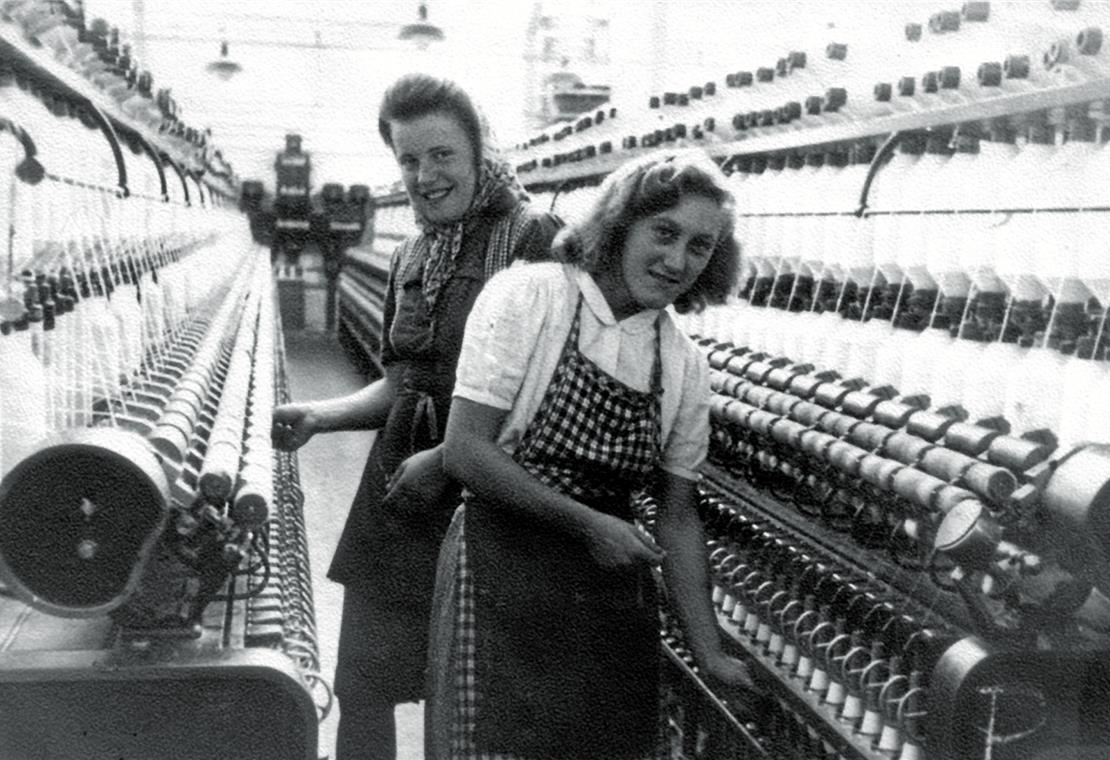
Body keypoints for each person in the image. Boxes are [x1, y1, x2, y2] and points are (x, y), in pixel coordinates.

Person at [428, 149, 756, 759]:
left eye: (700, 246)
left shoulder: (682, 363)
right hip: (501, 565)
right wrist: (589, 524)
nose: (676, 260)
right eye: (664, 232)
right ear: (620, 224)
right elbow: (466, 452)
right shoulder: (532, 298)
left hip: (603, 594)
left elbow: (678, 517)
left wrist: (709, 650)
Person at [271, 73, 561, 760]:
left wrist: (446, 458)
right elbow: (403, 382)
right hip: (397, 496)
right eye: (408, 159)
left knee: (469, 697)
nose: (424, 176)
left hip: (487, 496)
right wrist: (323, 413)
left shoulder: (532, 237)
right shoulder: (412, 251)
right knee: (365, 686)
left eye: (441, 155)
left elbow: (551, 387)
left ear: (478, 148)